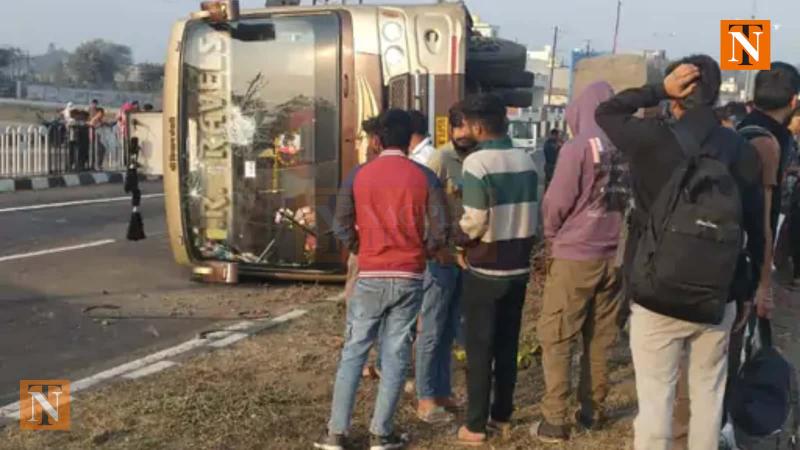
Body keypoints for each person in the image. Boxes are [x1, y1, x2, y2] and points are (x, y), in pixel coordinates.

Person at [595, 55, 765, 450]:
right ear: (717, 93)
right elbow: (754, 228)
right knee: (708, 395)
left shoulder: (652, 138)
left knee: (656, 400)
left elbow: (606, 111)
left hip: (656, 287)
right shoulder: (742, 152)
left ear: (677, 93)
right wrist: (748, 289)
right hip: (717, 294)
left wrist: (657, 89)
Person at [317, 109, 449, 450]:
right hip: (408, 275)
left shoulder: (358, 176)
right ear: (409, 140)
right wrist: (424, 250)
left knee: (354, 351)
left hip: (371, 274)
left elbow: (340, 224)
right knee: (396, 354)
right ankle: (381, 433)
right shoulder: (425, 177)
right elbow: (440, 229)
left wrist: (363, 248)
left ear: (377, 141)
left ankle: (336, 433)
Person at [532, 82, 628, 443]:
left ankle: (555, 419)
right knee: (600, 338)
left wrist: (551, 236)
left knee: (557, 335)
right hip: (614, 257)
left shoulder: (578, 147)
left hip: (576, 254)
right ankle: (592, 411)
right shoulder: (628, 146)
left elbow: (556, 202)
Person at [453, 94, 538, 446]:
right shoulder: (528, 160)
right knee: (507, 344)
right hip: (518, 266)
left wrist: (459, 244)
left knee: (479, 347)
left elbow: (475, 220)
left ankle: (475, 425)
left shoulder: (476, 163)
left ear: (476, 126)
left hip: (485, 268)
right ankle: (502, 414)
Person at [415, 101, 478, 424]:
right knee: (433, 328)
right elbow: (427, 206)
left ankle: (443, 389)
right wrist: (432, 247)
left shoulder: (481, 158)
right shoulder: (439, 158)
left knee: (453, 327)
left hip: (469, 258)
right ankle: (426, 395)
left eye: (470, 126)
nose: (466, 133)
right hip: (441, 256)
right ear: (452, 129)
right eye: (461, 127)